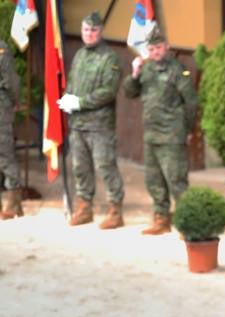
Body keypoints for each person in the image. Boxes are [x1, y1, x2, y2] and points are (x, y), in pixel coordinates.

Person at [123, 25, 198, 235]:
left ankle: (186, 223)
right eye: (152, 48)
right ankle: (161, 218)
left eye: (159, 48)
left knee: (176, 180)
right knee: (154, 180)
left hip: (172, 135)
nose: (155, 52)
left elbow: (191, 102)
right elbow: (129, 92)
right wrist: (135, 73)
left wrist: (188, 129)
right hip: (151, 134)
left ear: (167, 47)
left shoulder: (177, 70)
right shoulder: (145, 69)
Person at [59, 11, 124, 228]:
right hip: (78, 125)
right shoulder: (79, 55)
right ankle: (84, 207)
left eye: (93, 30)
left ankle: (115, 210)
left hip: (99, 125)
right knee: (80, 167)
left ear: (101, 32)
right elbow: (72, 84)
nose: (89, 34)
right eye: (86, 30)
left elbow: (108, 91)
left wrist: (80, 102)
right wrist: (68, 98)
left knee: (105, 166)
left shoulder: (109, 58)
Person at [0, 37, 23, 220]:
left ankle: (14, 201)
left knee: (5, 154)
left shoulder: (1, 49)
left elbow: (11, 80)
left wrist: (15, 100)